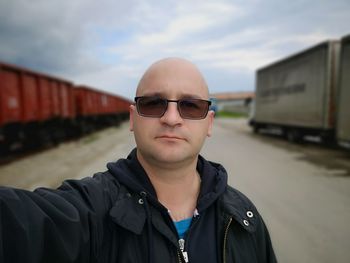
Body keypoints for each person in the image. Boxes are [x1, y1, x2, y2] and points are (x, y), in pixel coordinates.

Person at [0, 58, 276, 263]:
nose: (171, 118)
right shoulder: (90, 209)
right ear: (133, 118)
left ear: (209, 123)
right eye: (153, 104)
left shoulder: (243, 218)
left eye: (190, 106)